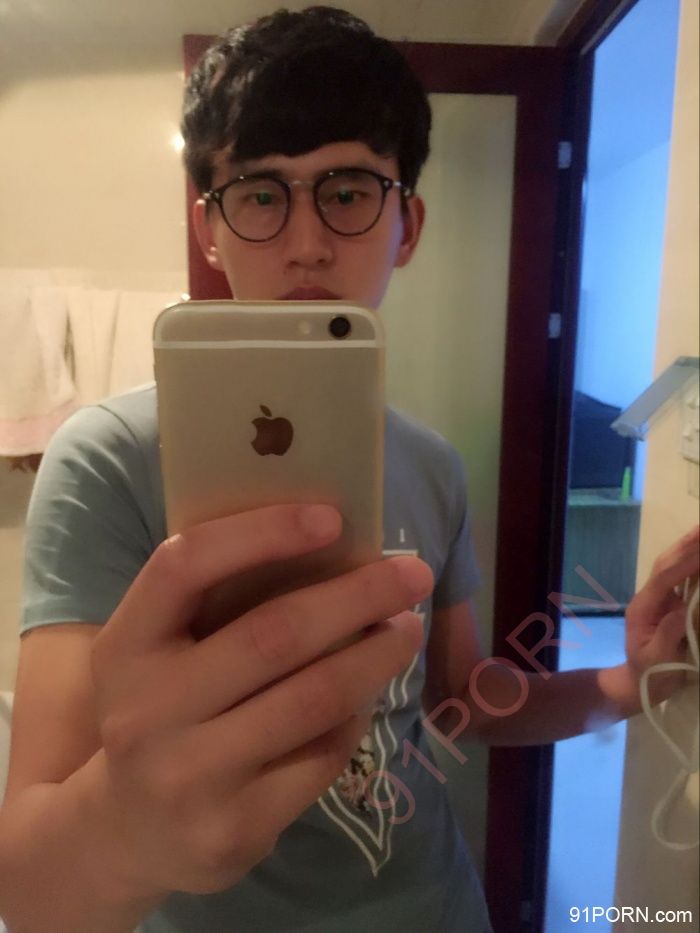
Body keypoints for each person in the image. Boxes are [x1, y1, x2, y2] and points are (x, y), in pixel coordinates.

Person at [0, 7, 697, 933]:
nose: (307, 242)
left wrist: (631, 677)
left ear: (407, 225)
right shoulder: (106, 459)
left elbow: (463, 700)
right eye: (260, 194)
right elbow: (31, 889)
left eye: (349, 189)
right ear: (209, 229)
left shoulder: (434, 463)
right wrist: (123, 826)